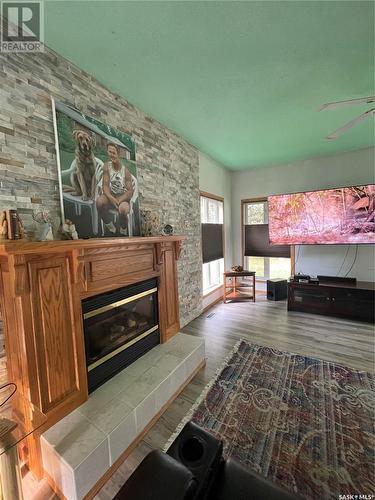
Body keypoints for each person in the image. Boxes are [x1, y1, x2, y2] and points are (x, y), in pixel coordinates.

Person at [96, 142, 134, 235]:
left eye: (114, 153)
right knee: (99, 202)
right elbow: (105, 185)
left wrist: (119, 199)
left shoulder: (125, 171)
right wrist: (111, 198)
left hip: (122, 197)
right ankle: (108, 223)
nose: (111, 155)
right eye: (110, 152)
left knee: (123, 209)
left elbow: (130, 192)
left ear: (118, 154)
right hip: (111, 194)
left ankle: (123, 228)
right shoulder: (106, 166)